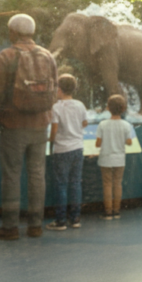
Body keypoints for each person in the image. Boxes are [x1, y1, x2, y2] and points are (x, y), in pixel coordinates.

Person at [0, 14, 58, 240]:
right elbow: (53, 91)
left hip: (13, 125)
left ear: (13, 33)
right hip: (40, 125)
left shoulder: (6, 56)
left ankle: (10, 228)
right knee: (38, 175)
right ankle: (35, 226)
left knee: (11, 176)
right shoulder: (48, 55)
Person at [47, 74, 88, 231]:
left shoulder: (56, 107)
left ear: (59, 89)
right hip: (78, 148)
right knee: (76, 183)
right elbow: (85, 122)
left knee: (61, 184)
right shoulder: (80, 105)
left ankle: (60, 221)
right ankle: (75, 219)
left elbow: (54, 130)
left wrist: (49, 140)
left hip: (62, 149)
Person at [96, 94, 135, 220]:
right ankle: (117, 211)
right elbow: (129, 142)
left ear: (108, 108)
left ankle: (108, 212)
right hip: (119, 158)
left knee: (107, 184)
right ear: (123, 109)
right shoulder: (126, 125)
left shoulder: (102, 124)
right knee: (117, 183)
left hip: (105, 158)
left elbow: (98, 143)